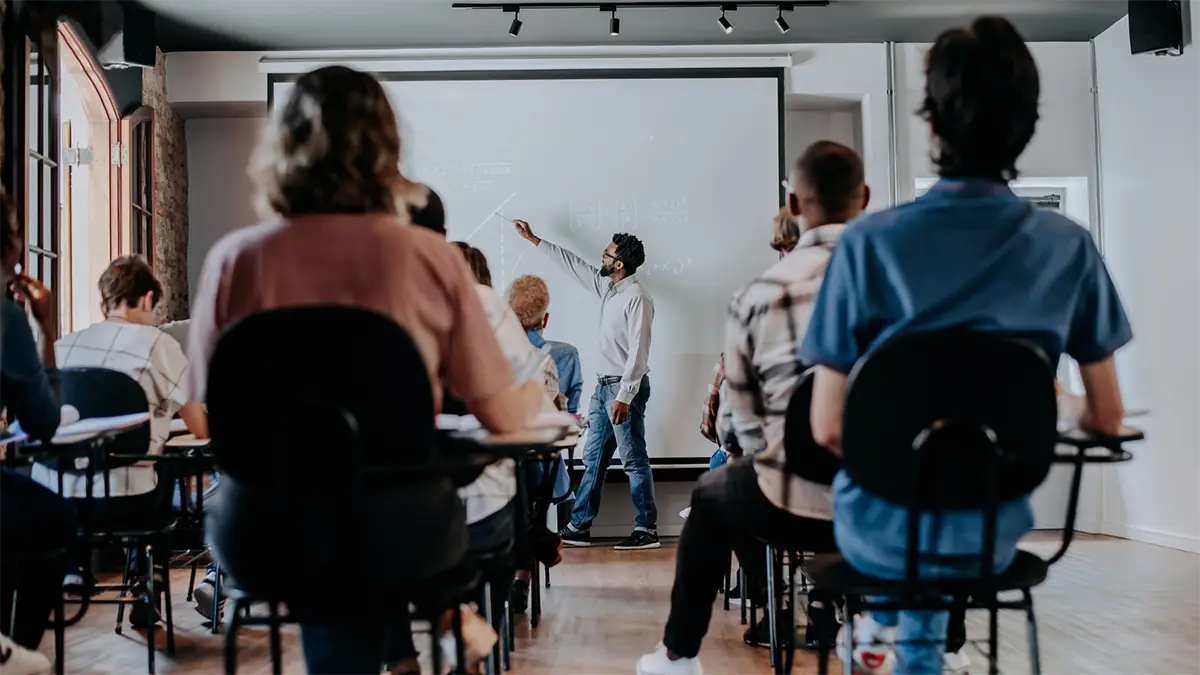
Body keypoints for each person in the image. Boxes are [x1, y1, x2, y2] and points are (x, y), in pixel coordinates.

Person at [187, 65, 544, 675]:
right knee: (373, 536)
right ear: (387, 149)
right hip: (399, 526)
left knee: (335, 570)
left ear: (282, 148)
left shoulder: (233, 260)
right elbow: (502, 414)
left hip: (264, 527)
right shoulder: (431, 259)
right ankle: (448, 623)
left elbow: (202, 419)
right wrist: (536, 391)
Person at [803, 17, 1131, 675]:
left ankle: (885, 624)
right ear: (1027, 124)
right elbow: (1108, 419)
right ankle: (910, 647)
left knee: (907, 521)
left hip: (878, 532)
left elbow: (828, 426)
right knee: (946, 508)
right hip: (989, 533)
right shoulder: (1068, 248)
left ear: (932, 124)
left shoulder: (868, 245)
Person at [636, 140, 871, 675]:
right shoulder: (904, 284)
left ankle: (679, 654)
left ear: (793, 205)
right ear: (864, 198)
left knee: (716, 490)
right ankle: (926, 636)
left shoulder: (758, 295)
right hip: (888, 507)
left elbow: (737, 430)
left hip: (791, 507)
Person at [30, 256, 210, 626]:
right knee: (165, 469)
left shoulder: (64, 346)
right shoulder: (157, 344)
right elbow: (200, 427)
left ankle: (75, 568)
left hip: (60, 496)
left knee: (113, 468)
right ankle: (147, 584)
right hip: (129, 500)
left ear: (105, 301)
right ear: (146, 299)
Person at [512, 221, 659, 550]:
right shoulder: (609, 288)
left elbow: (638, 354)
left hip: (624, 389)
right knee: (593, 458)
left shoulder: (638, 298)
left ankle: (646, 529)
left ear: (619, 264)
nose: (601, 258)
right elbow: (572, 263)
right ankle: (579, 526)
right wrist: (535, 239)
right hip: (602, 387)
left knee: (633, 459)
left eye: (607, 255)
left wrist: (624, 396)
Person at [0, 190, 70, 675]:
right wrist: (46, 329)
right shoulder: (8, 320)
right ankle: (12, 649)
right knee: (54, 519)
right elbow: (43, 424)